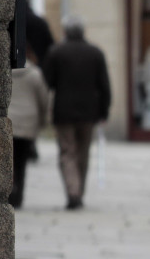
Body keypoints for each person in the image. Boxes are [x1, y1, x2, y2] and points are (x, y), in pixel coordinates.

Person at [42, 15, 110, 210]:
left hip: (63, 111)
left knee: (67, 152)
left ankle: (73, 191)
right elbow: (104, 86)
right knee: (83, 153)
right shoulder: (95, 53)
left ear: (64, 31)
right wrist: (104, 111)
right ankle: (79, 192)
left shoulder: (56, 52)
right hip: (89, 112)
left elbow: (46, 83)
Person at [7, 60, 49, 208]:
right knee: (21, 162)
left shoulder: (5, 72)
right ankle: (19, 196)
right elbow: (44, 98)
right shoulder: (35, 74)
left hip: (9, 119)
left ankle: (8, 192)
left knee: (7, 161)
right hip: (28, 122)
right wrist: (43, 120)